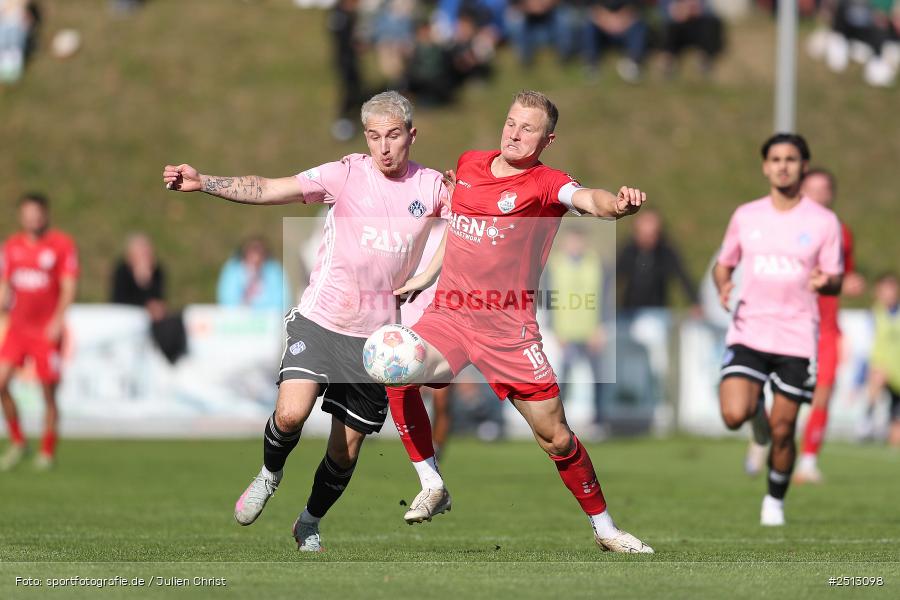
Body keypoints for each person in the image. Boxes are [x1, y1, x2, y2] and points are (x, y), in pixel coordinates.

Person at [162, 91, 448, 551]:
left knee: (344, 449)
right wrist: (205, 182)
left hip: (376, 342)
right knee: (291, 413)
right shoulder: (347, 172)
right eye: (374, 136)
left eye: (393, 135)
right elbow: (272, 188)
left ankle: (309, 522)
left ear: (412, 135)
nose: (384, 147)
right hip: (322, 318)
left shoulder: (433, 186)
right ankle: (270, 473)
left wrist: (427, 273)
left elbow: (471, 224)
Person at [386, 90, 653, 553]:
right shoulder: (468, 164)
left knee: (556, 438)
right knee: (394, 365)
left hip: (508, 331)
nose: (514, 133)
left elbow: (587, 198)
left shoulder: (547, 183)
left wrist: (618, 206)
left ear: (547, 140)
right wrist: (426, 276)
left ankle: (606, 529)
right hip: (449, 316)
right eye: (511, 122)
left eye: (528, 128)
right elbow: (459, 226)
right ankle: (432, 481)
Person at [714, 133, 843, 527]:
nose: (783, 165)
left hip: (797, 337)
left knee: (784, 430)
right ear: (765, 166)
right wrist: (723, 284)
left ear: (803, 166)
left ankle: (774, 501)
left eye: (791, 159)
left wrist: (828, 282)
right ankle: (755, 416)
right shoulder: (746, 215)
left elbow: (836, 277)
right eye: (775, 159)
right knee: (734, 413)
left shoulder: (823, 222)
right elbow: (724, 263)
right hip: (749, 329)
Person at [789, 168, 863, 484]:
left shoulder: (840, 231)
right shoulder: (786, 226)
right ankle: (763, 438)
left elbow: (844, 275)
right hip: (790, 322)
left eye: (824, 189)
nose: (819, 194)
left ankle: (807, 462)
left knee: (823, 392)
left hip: (827, 327)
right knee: (784, 397)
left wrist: (849, 282)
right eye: (812, 188)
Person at [0, 193, 78, 471]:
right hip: (18, 330)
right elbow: (6, 284)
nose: (33, 217)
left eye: (37, 212)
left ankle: (47, 451)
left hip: (45, 331)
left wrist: (58, 320)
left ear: (45, 214)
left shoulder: (61, 245)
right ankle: (19, 441)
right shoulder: (11, 247)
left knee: (48, 393)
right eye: (27, 213)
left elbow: (68, 286)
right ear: (21, 216)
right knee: (0, 383)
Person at [547, 225, 607, 430]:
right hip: (566, 332)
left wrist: (600, 327)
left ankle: (599, 419)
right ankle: (558, 421)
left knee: (599, 377)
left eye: (578, 241)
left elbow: (604, 297)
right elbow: (549, 299)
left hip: (590, 331)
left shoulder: (595, 263)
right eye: (572, 241)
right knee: (561, 379)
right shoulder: (555, 264)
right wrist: (555, 329)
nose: (575, 245)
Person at [110, 233, 186, 364]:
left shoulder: (157, 272)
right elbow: (119, 301)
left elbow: (159, 300)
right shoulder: (122, 272)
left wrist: (146, 283)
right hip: (129, 321)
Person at [616, 207, 700, 313]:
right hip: (629, 310)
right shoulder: (628, 251)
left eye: (651, 235)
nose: (647, 240)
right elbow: (614, 276)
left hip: (657, 311)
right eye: (643, 235)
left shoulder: (665, 253)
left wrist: (695, 302)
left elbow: (683, 277)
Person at [860, 272, 900, 447]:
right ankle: (867, 418)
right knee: (877, 377)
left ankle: (888, 426)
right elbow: (864, 347)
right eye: (885, 290)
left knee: (895, 440)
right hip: (882, 369)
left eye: (892, 290)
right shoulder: (874, 313)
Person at [217, 236, 289, 311]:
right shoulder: (232, 270)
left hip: (268, 318)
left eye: (259, 252)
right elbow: (227, 300)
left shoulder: (274, 271)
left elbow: (283, 300)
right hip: (238, 318)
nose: (255, 258)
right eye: (252, 251)